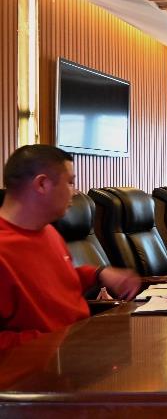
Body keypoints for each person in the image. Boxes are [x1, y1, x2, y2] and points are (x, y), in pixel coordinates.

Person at [0, 145, 140, 349]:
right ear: (42, 184)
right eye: (70, 182)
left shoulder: (48, 232)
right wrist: (59, 342)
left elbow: (52, 285)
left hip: (81, 348)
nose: (75, 192)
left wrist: (99, 274)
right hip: (45, 363)